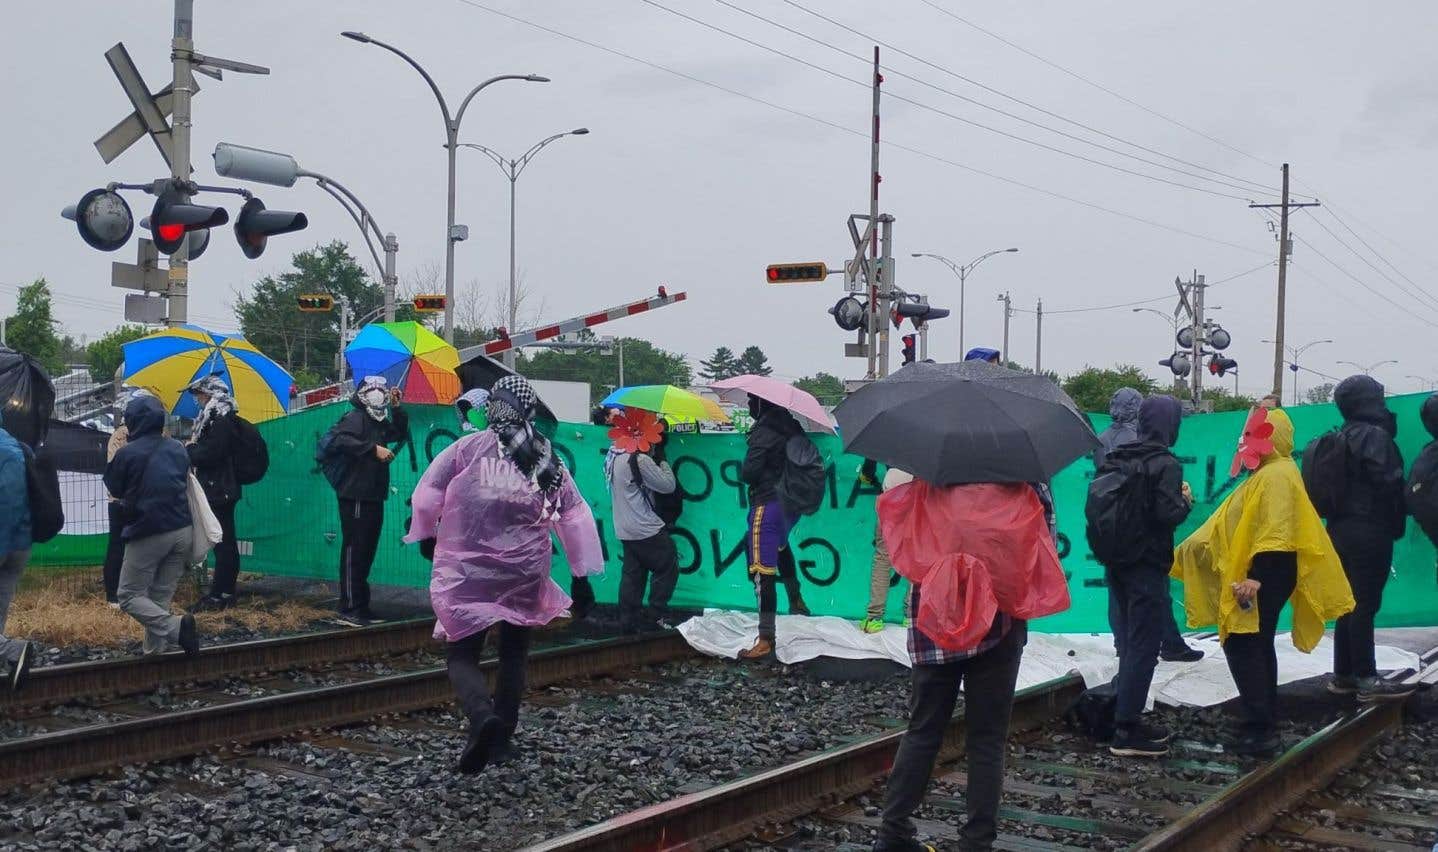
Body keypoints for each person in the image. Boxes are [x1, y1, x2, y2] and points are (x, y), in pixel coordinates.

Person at [404, 375, 603, 773]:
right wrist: (581, 578)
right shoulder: (547, 457)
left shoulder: (465, 449)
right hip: (524, 572)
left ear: (491, 407)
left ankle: (482, 716)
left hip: (466, 571)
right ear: (528, 410)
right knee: (515, 653)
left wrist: (425, 534)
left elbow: (426, 494)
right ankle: (503, 739)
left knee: (462, 652)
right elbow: (575, 516)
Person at [872, 477, 1068, 852]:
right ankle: (976, 842)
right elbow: (1046, 545)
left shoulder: (928, 468)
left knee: (923, 729)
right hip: (1000, 618)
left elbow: (907, 541)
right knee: (987, 739)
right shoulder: (1025, 473)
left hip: (934, 615)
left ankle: (892, 834)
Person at [1174, 408, 1355, 755]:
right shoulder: (1276, 473)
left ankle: (1260, 730)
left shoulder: (1277, 477)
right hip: (1265, 573)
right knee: (1255, 644)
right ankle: (1260, 721)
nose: (1246, 442)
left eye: (1256, 435)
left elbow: (1278, 533)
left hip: (1264, 575)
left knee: (1246, 646)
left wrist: (1256, 580)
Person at [1095, 396, 1194, 758]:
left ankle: (1123, 710)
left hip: (1116, 561)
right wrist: (1185, 502)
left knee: (1128, 641)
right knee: (1145, 646)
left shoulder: (1118, 457)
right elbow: (1167, 514)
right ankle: (1127, 727)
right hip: (1147, 564)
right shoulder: (1164, 463)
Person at [1095, 388, 1203, 664]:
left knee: (1117, 591)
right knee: (1155, 592)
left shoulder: (1102, 438)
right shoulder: (1141, 442)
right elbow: (1159, 502)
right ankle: (1165, 645)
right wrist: (1180, 498)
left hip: (1111, 527)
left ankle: (1125, 644)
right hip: (1142, 532)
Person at [1325, 376, 1413, 701]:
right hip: (1369, 528)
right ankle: (1366, 677)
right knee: (1365, 602)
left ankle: (1343, 673)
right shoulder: (1374, 437)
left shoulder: (1340, 435)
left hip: (1338, 528)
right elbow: (1388, 481)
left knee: (1347, 602)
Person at [103, 394, 199, 656]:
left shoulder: (126, 453)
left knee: (129, 595)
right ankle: (155, 653)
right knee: (159, 596)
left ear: (132, 422)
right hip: (182, 530)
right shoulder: (178, 448)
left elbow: (114, 486)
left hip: (148, 530)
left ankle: (176, 628)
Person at [327, 376, 409, 627]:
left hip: (372, 493)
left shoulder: (378, 420)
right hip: (356, 494)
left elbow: (398, 432)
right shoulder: (354, 418)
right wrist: (373, 449)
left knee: (366, 550)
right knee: (355, 549)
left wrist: (397, 408)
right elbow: (341, 440)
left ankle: (361, 605)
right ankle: (350, 606)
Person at [738, 395, 809, 659]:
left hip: (767, 502)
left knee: (761, 569)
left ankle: (766, 637)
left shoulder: (764, 433)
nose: (748, 406)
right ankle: (796, 599)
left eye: (750, 401)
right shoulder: (792, 426)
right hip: (790, 503)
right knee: (780, 546)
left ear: (760, 404)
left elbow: (749, 472)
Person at [606, 411, 680, 633]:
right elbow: (668, 485)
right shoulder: (639, 459)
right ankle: (655, 614)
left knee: (633, 574)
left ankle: (627, 619)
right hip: (645, 526)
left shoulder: (614, 456)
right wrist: (662, 459)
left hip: (624, 527)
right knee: (668, 562)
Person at [185, 376, 243, 612]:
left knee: (222, 540)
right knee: (223, 539)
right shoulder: (215, 417)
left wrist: (190, 449)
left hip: (220, 487)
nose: (197, 399)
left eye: (199, 394)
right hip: (219, 485)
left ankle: (222, 592)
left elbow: (212, 453)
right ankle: (222, 590)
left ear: (210, 394)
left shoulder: (219, 419)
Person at [0, 409, 37, 691]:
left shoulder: (5, 452)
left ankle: (12, 651)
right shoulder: (15, 445)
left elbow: (8, 504)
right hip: (20, 543)